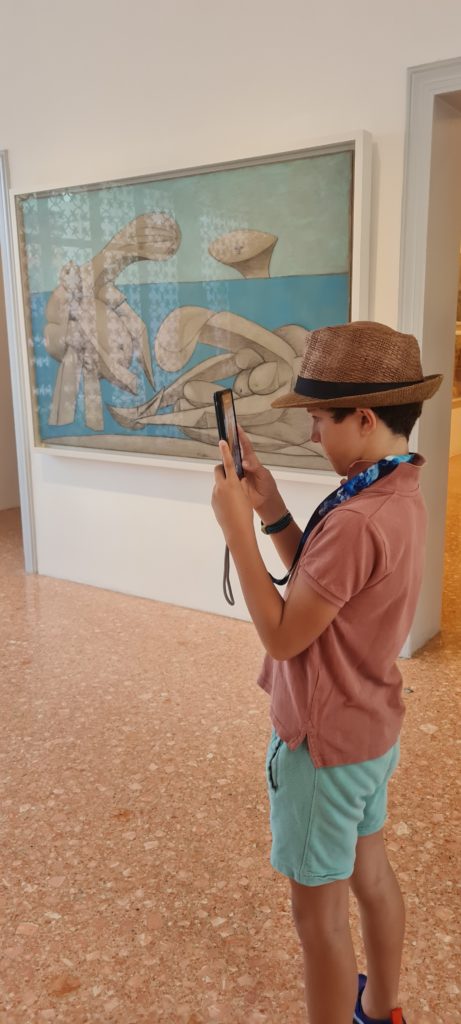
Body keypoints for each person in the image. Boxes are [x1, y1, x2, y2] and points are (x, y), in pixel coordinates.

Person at [211, 321, 442, 1024]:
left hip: (322, 745)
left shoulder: (356, 520)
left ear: (363, 418)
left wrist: (236, 531)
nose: (313, 435)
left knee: (318, 923)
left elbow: (285, 636)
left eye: (320, 419)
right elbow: (325, 586)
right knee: (370, 875)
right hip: (369, 731)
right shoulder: (396, 492)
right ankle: (384, 1007)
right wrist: (271, 508)